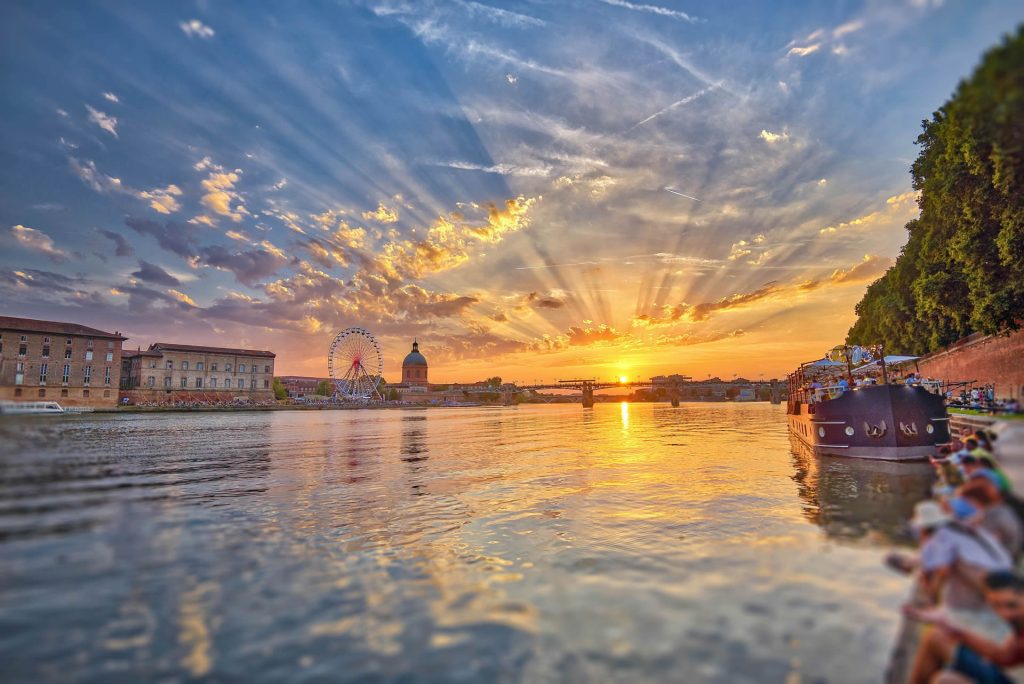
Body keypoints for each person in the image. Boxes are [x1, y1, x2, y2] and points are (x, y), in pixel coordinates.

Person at [906, 571, 1024, 684]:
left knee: (945, 681)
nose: (1004, 614)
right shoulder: (1018, 623)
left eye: (1012, 605)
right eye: (996, 606)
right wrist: (954, 631)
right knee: (935, 639)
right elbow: (1005, 657)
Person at [909, 500, 1012, 611]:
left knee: (945, 571)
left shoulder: (941, 536)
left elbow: (943, 570)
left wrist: (932, 594)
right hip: (1006, 568)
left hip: (990, 576)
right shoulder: (961, 525)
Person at [961, 479, 1023, 561]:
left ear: (977, 499)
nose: (969, 504)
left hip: (1007, 556)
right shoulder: (996, 508)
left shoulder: (995, 515)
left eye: (969, 501)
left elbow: (990, 541)